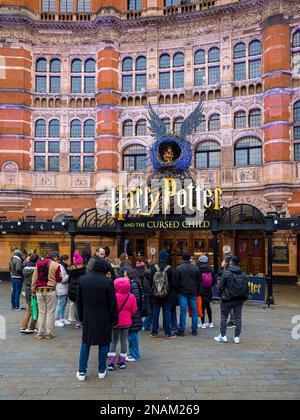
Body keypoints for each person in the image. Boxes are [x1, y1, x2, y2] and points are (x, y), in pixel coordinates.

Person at [76, 259, 118, 382]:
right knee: (104, 343)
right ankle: (101, 370)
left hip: (88, 316)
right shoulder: (108, 282)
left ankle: (82, 371)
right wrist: (114, 319)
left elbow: (79, 302)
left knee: (86, 343)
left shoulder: (83, 280)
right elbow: (112, 304)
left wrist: (81, 317)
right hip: (104, 317)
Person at [215, 256, 249, 344]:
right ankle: (237, 337)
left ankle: (223, 336)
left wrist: (220, 296)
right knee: (238, 318)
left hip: (227, 298)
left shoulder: (226, 273)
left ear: (231, 263)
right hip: (239, 299)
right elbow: (246, 287)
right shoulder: (243, 274)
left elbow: (220, 287)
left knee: (224, 317)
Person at [107, 278, 137, 371]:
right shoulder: (131, 296)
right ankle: (122, 362)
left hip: (115, 322)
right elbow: (134, 310)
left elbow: (110, 309)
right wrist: (128, 315)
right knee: (124, 340)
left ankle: (111, 362)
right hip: (126, 322)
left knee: (113, 341)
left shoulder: (113, 296)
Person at [31, 251, 62, 340]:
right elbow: (59, 279)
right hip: (50, 289)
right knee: (50, 312)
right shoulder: (56, 265)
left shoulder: (38, 264)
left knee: (41, 312)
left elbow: (34, 278)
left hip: (39, 290)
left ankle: (40, 333)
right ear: (55, 257)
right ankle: (49, 333)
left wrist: (33, 289)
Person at [149, 250, 176, 339]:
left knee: (155, 313)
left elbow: (150, 282)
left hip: (155, 296)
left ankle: (154, 333)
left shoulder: (153, 268)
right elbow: (173, 284)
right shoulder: (170, 269)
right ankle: (167, 333)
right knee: (166, 314)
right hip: (166, 295)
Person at [175, 252, 200, 336]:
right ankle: (194, 329)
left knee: (183, 312)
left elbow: (176, 282)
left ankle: (181, 330)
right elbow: (199, 282)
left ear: (182, 258)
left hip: (182, 292)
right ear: (189, 258)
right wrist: (197, 291)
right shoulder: (195, 268)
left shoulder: (179, 268)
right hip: (193, 292)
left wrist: (177, 291)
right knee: (194, 311)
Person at [125, 267, 144, 362]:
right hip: (133, 314)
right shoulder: (133, 284)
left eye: (125, 276)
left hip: (134, 314)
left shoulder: (134, 285)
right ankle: (132, 353)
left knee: (133, 336)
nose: (124, 277)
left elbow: (135, 300)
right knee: (131, 335)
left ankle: (135, 354)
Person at [20, 253, 39, 334]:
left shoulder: (25, 269)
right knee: (34, 310)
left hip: (27, 291)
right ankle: (30, 327)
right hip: (34, 291)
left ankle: (24, 326)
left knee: (29, 309)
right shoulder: (36, 269)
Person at [197, 255, 216, 329]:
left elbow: (197, 280)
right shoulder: (211, 269)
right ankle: (210, 322)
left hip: (201, 290)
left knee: (202, 307)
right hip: (208, 290)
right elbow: (214, 281)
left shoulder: (198, 269)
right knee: (208, 306)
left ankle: (203, 323)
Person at [68, 252, 86, 329]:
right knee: (83, 305)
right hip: (81, 290)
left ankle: (77, 322)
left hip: (72, 290)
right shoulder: (84, 271)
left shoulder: (71, 270)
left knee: (75, 306)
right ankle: (83, 320)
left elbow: (69, 280)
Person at [55, 255, 71, 328]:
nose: (69, 261)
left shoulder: (64, 266)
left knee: (63, 304)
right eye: (68, 259)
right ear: (65, 260)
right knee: (60, 304)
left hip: (64, 288)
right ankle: (57, 319)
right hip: (61, 287)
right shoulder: (61, 267)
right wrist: (69, 275)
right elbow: (62, 279)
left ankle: (62, 318)